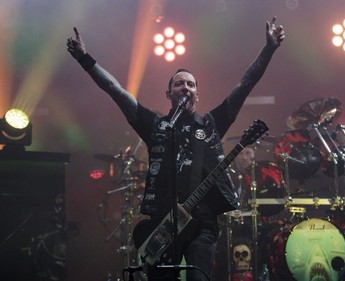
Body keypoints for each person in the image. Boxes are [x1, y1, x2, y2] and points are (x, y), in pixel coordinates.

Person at [67, 16, 285, 281]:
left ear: (197, 94)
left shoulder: (212, 125)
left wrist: (268, 49)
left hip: (202, 222)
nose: (185, 87)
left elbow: (245, 84)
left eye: (191, 84)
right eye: (179, 83)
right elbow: (115, 90)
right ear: (168, 93)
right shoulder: (156, 126)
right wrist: (85, 59)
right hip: (162, 222)